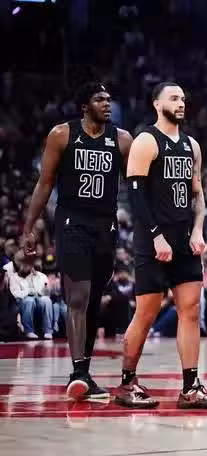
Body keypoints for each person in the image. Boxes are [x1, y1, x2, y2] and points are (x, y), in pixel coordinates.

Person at [115, 82, 207, 409]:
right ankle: (127, 382)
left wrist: (198, 230)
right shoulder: (146, 140)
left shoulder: (191, 145)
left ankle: (191, 388)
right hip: (153, 240)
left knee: (190, 311)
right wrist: (156, 235)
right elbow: (136, 196)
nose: (181, 103)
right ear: (156, 103)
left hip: (184, 239)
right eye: (174, 98)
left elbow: (197, 194)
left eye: (183, 98)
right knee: (147, 312)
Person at [21, 83, 132, 400]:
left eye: (109, 99)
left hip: (106, 226)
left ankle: (85, 373)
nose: (107, 104)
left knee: (94, 300)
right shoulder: (62, 134)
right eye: (100, 99)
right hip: (72, 223)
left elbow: (137, 185)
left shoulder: (122, 140)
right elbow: (45, 183)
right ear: (84, 106)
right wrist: (29, 228)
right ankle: (78, 372)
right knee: (78, 297)